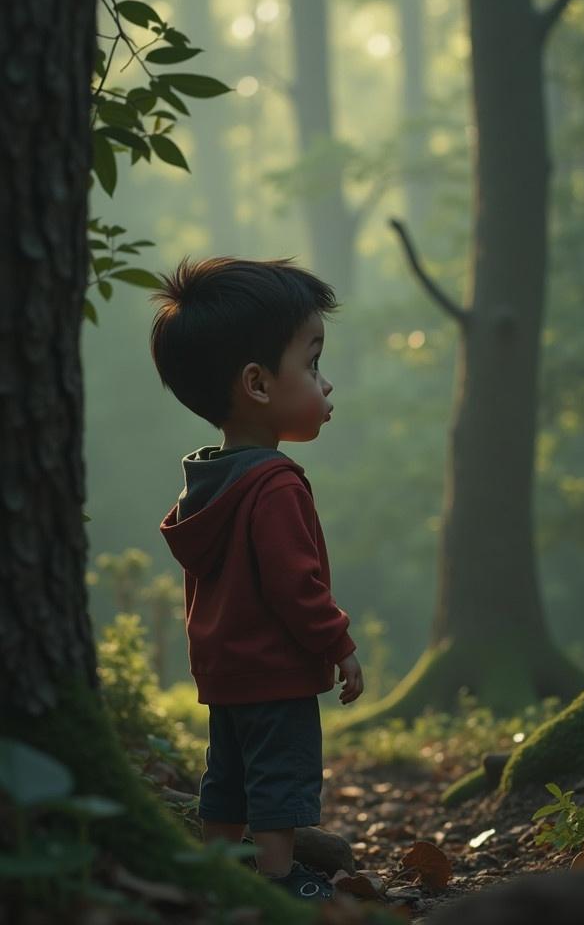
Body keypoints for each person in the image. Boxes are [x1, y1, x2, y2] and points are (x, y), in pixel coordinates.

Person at [149, 255, 364, 901]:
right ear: (258, 384)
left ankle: (215, 868)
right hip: (275, 670)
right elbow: (296, 587)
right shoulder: (275, 485)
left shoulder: (207, 486)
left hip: (223, 671)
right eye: (313, 363)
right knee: (279, 776)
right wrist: (340, 644)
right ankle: (276, 881)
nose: (325, 385)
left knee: (229, 773)